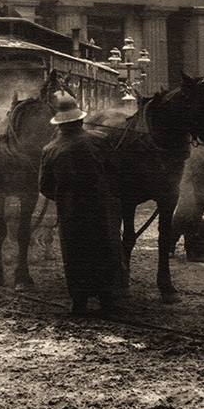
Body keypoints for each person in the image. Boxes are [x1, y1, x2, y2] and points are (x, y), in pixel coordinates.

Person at [38, 92, 127, 316]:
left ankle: (79, 301)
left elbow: (44, 186)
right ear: (80, 120)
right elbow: (116, 171)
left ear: (60, 124)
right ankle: (108, 300)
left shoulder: (50, 150)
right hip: (101, 208)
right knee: (105, 249)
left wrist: (64, 198)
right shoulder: (99, 140)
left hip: (71, 211)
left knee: (75, 253)